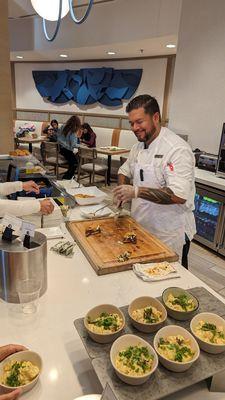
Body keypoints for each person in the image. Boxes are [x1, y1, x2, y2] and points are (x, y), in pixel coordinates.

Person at [113, 94, 196, 263]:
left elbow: (178, 196)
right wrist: (122, 192)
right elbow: (124, 171)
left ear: (156, 117)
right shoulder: (138, 147)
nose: (135, 127)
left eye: (139, 121)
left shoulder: (177, 149)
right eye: (131, 123)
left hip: (169, 232)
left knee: (169, 282)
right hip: (141, 226)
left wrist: (136, 191)